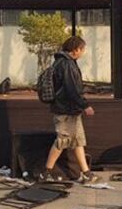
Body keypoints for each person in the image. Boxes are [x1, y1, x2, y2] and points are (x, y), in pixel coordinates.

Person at [42, 36, 98, 184]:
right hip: (65, 109)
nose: (83, 52)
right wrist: (85, 105)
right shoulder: (66, 64)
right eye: (82, 49)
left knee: (78, 140)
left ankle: (86, 173)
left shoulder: (62, 62)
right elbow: (71, 88)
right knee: (62, 140)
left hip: (70, 109)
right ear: (76, 49)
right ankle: (45, 173)